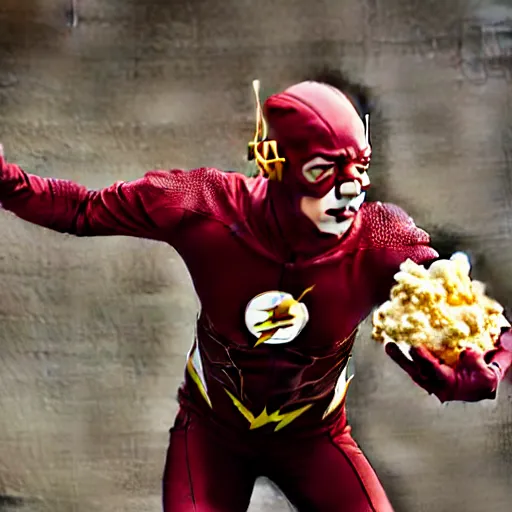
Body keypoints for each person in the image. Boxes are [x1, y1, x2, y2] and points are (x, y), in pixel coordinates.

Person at [1, 75, 511, 512]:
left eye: (360, 167)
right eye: (322, 171)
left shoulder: (379, 239)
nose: (351, 189)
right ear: (273, 163)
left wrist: (483, 364)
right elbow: (82, 210)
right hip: (211, 434)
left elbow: (484, 324)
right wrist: (6, 181)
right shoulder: (202, 208)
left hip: (315, 437)